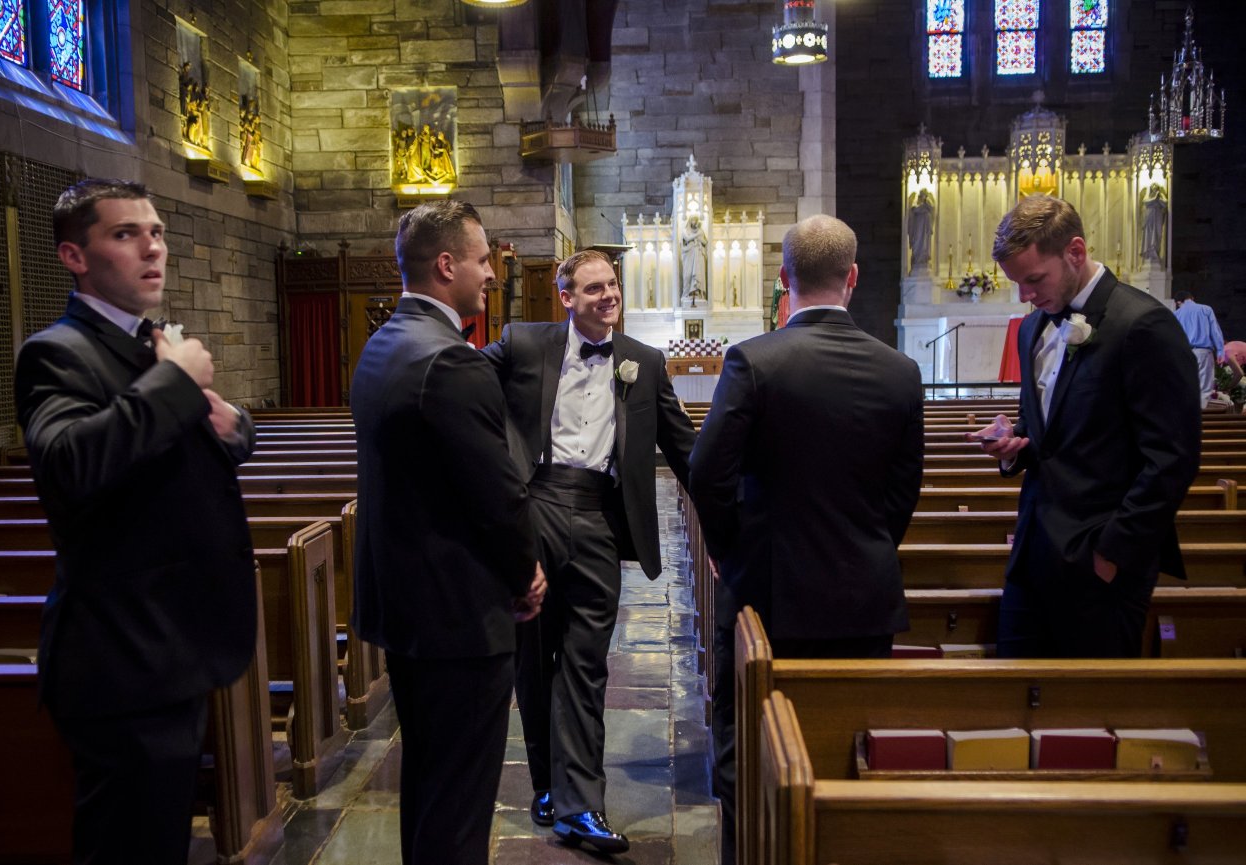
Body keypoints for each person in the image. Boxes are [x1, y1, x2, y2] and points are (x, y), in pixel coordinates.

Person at [13, 178, 258, 864]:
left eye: (156, 233)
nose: (153, 248)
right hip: (123, 658)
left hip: (170, 649)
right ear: (74, 256)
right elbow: (70, 464)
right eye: (125, 234)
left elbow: (187, 446)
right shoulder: (58, 352)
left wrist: (232, 424)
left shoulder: (147, 342)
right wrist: (175, 382)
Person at [690, 214, 925, 865]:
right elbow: (904, 488)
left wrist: (727, 548)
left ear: (783, 279)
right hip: (863, 599)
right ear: (853, 277)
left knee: (748, 753)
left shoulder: (755, 360)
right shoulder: (900, 370)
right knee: (849, 745)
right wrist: (869, 548)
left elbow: (707, 470)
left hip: (767, 593)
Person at [349, 201, 546, 865]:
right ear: (445, 264)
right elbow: (497, 495)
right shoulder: (451, 362)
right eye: (482, 259)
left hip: (407, 606)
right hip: (458, 615)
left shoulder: (383, 344)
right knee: (460, 805)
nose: (490, 273)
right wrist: (525, 572)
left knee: (431, 786)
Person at [480, 249, 695, 854]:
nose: (609, 295)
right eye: (594, 287)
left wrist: (736, 511)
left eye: (613, 285)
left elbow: (686, 449)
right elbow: (459, 380)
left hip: (600, 517)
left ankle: (580, 806)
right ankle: (547, 785)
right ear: (567, 297)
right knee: (533, 657)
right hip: (536, 506)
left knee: (586, 662)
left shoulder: (643, 362)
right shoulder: (524, 343)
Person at [971, 194, 1200, 658]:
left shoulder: (1144, 325)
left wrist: (1111, 554)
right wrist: (1014, 442)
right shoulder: (1032, 329)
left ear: (1075, 251)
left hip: (1100, 563)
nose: (1024, 296)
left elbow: (1172, 459)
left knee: (1090, 701)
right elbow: (1051, 427)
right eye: (1016, 283)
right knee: (1013, 693)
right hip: (1032, 554)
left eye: (1034, 279)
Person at [1174, 289, 1226, 408]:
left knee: (1186, 386)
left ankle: (1188, 415)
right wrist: (1220, 351)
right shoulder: (1205, 309)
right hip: (1203, 352)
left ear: (1178, 302)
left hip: (1184, 353)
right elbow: (1215, 331)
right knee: (1204, 389)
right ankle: (1202, 416)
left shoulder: (1176, 314)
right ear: (1192, 298)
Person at [680, 214, 708, 305]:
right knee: (687, 275)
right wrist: (697, 236)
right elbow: (687, 238)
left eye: (696, 220)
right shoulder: (685, 231)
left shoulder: (700, 231)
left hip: (698, 255)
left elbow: (705, 242)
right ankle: (686, 294)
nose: (694, 222)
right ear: (689, 221)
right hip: (688, 255)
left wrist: (699, 237)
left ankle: (699, 294)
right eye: (692, 220)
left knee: (698, 275)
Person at [907, 189, 934, 274]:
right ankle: (916, 260)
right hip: (918, 228)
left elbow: (932, 209)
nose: (923, 197)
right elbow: (913, 210)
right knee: (917, 242)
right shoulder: (916, 205)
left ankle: (924, 260)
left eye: (924, 195)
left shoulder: (928, 205)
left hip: (925, 230)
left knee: (925, 244)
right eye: (921, 195)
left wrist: (926, 204)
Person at [1141, 184, 1168, 266]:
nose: (1154, 188)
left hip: (1158, 217)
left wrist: (1158, 199)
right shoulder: (1149, 195)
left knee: (1158, 234)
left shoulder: (1160, 195)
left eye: (1156, 187)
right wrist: (1155, 198)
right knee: (1149, 234)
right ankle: (1149, 252)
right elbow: (1145, 202)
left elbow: (1165, 203)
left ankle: (1156, 251)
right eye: (1153, 187)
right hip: (1149, 217)